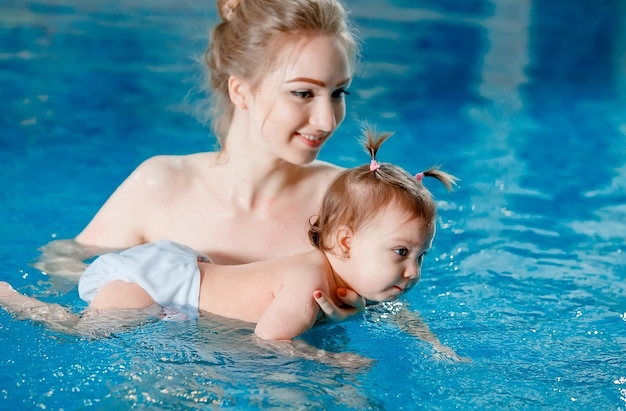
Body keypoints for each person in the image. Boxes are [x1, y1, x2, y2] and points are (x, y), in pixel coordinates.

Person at [34, 0, 364, 320]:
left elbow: (397, 309)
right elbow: (60, 267)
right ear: (240, 90)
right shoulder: (161, 185)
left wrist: (362, 313)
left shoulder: (347, 203)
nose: (327, 120)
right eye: (303, 93)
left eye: (338, 93)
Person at [1, 129, 457, 343]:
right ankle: (17, 301)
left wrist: (433, 343)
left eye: (421, 255)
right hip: (152, 284)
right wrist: (328, 360)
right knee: (87, 333)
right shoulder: (307, 281)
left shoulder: (344, 275)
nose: (413, 271)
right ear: (344, 243)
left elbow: (392, 311)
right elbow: (268, 343)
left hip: (185, 275)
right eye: (401, 252)